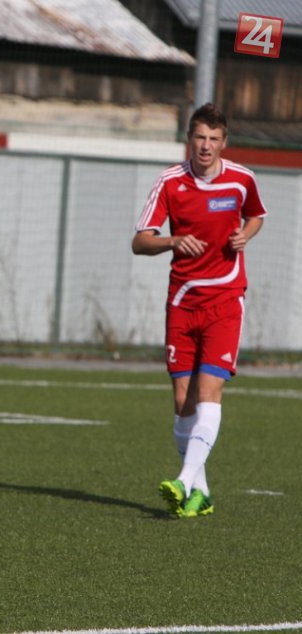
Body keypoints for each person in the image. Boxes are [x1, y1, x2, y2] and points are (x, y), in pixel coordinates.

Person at [132, 103, 266, 519]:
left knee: (209, 391)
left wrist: (244, 235)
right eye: (198, 137)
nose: (205, 146)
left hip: (226, 298)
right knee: (181, 399)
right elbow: (140, 241)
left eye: (213, 139)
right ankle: (200, 491)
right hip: (182, 301)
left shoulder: (242, 179)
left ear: (224, 142)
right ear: (188, 140)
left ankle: (184, 480)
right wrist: (173, 241)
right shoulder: (170, 183)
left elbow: (257, 215)